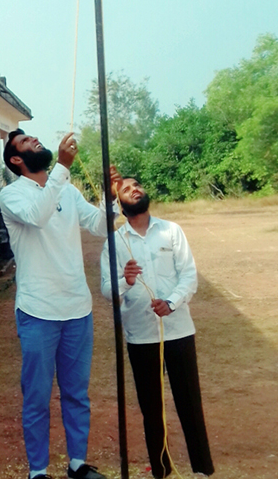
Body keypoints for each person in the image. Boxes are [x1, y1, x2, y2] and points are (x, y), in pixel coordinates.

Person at [0, 129, 120, 479]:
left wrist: (109, 200)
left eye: (34, 138)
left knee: (77, 394)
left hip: (77, 309)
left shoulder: (66, 188)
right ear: (16, 160)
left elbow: (99, 227)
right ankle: (38, 471)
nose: (35, 141)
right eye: (25, 144)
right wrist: (62, 169)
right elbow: (38, 215)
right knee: (37, 397)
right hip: (38, 312)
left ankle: (78, 464)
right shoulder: (13, 195)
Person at [101, 178, 214, 477]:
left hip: (178, 330)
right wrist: (125, 280)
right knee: (152, 408)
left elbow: (189, 276)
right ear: (120, 205)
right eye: (126, 189)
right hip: (141, 336)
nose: (135, 189)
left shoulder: (171, 230)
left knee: (189, 401)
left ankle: (202, 470)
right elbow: (106, 290)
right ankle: (161, 471)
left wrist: (172, 302)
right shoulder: (114, 242)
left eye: (137, 185)